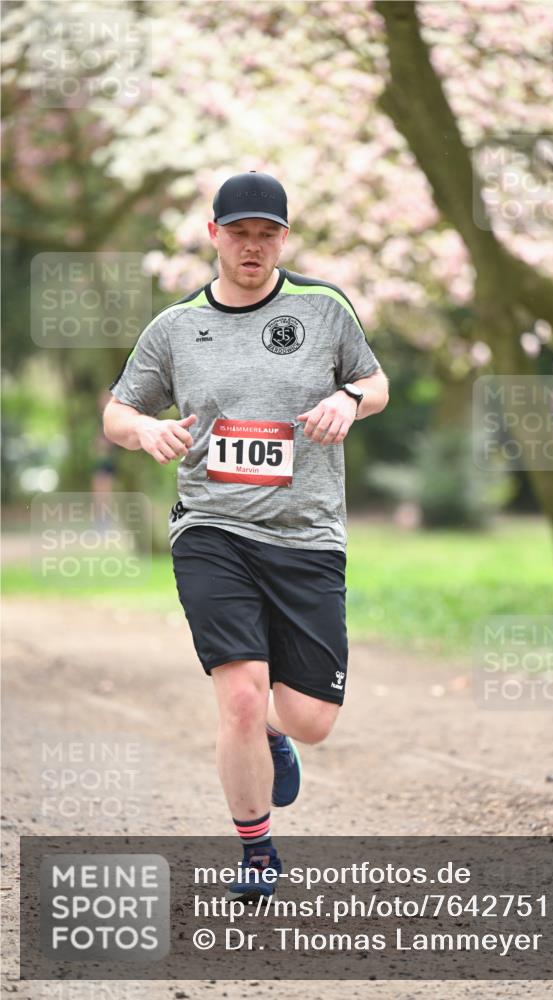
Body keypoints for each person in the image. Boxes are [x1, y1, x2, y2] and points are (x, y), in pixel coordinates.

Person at [103, 170, 389, 900]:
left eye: (266, 234)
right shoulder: (175, 327)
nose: (252, 247)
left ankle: (276, 733)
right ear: (213, 235)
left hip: (307, 534)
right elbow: (117, 411)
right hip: (212, 528)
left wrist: (349, 399)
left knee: (310, 719)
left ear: (283, 239)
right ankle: (256, 852)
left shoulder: (323, 309)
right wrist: (145, 430)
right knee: (239, 695)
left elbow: (375, 382)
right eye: (239, 234)